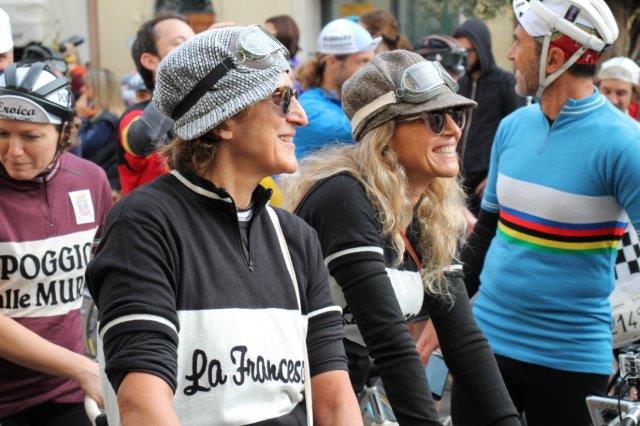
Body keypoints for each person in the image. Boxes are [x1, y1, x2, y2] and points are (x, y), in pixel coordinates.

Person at [86, 25, 361, 425]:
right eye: (281, 99)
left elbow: (335, 402)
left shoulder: (295, 237)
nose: (300, 117)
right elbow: (143, 408)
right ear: (224, 122)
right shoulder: (144, 223)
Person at [284, 50, 519, 425]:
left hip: (350, 394)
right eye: (435, 119)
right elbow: (389, 341)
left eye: (456, 116)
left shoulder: (424, 209)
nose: (455, 130)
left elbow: (463, 340)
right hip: (297, 400)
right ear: (386, 133)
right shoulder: (344, 198)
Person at [457, 1, 640, 424]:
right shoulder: (512, 128)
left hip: (570, 359)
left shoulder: (625, 144)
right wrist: (443, 315)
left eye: (518, 43)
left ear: (553, 59)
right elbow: (485, 235)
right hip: (486, 345)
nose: (509, 54)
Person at [0, 62, 112, 425]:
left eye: (30, 136)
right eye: (1, 133)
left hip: (67, 391)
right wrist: (80, 367)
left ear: (64, 132)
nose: (13, 151)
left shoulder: (90, 180)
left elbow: (109, 277)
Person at [117, 12, 195, 195]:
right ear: (150, 61)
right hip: (151, 212)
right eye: (180, 43)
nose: (193, 49)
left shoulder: (203, 112)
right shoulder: (133, 116)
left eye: (195, 41)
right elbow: (143, 138)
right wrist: (178, 80)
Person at [452, 19, 525, 215]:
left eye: (469, 51)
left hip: (486, 185)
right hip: (457, 182)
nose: (464, 58)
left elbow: (518, 135)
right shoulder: (459, 84)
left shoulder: (504, 83)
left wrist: (495, 174)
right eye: (459, 52)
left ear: (481, 47)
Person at [294, 18, 379, 159]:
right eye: (363, 61)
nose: (371, 70)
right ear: (332, 62)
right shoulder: (308, 108)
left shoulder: (344, 101)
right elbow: (369, 130)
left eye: (372, 61)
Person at [77, 68, 126, 193]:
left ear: (99, 90)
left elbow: (80, 148)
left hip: (104, 185)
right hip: (107, 181)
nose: (82, 90)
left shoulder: (106, 122)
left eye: (87, 87)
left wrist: (81, 118)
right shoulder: (113, 116)